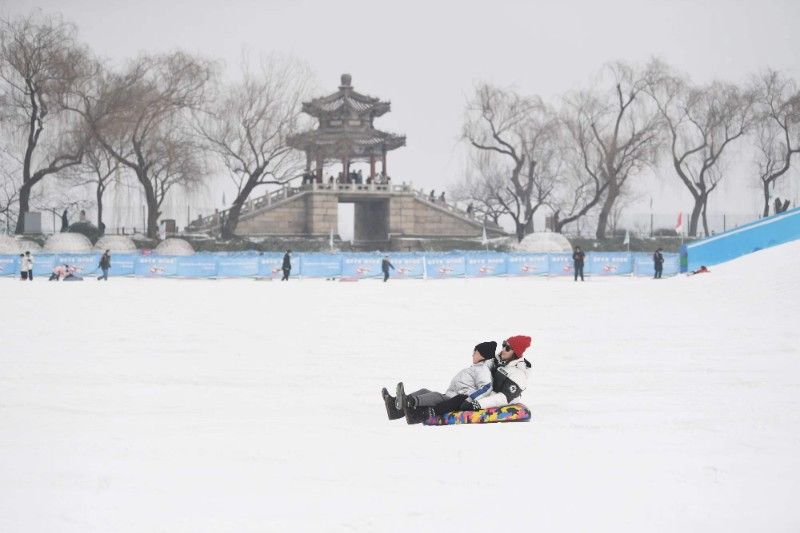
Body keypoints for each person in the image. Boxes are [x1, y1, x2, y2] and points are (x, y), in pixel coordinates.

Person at [382, 341, 497, 424]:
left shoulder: (483, 370)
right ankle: (395, 406)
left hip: (458, 400)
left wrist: (469, 399)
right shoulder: (477, 368)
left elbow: (486, 387)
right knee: (424, 391)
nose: (472, 354)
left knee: (436, 396)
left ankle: (409, 401)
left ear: (482, 354)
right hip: (451, 396)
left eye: (475, 351)